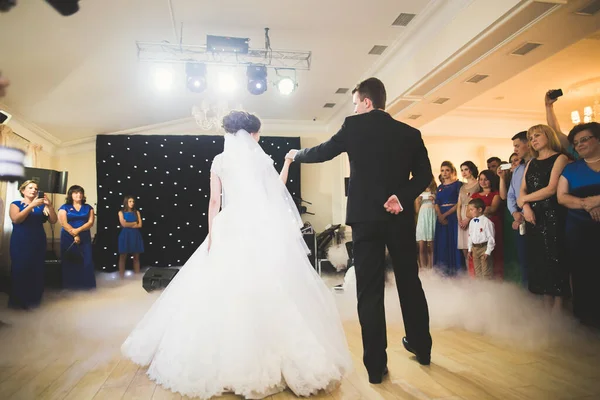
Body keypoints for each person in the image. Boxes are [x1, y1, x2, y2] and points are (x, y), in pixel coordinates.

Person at [122, 111, 352, 399]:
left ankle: (218, 359)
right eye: (257, 133)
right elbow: (276, 191)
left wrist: (211, 233)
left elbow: (215, 201)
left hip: (230, 225)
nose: (257, 138)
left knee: (219, 287)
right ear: (251, 134)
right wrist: (288, 163)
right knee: (267, 287)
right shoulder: (260, 159)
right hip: (257, 228)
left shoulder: (220, 161)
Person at [287, 77, 433, 383]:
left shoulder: (353, 126)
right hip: (399, 218)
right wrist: (401, 197)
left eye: (355, 102)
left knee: (369, 291)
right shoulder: (410, 133)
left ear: (366, 102)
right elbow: (424, 176)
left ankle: (375, 367)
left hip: (365, 219)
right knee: (409, 282)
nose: (353, 107)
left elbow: (323, 152)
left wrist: (295, 155)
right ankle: (422, 348)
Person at [518, 125, 569, 312]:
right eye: (530, 137)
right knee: (539, 260)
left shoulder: (560, 158)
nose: (533, 140)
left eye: (537, 135)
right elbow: (522, 190)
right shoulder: (531, 162)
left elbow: (551, 188)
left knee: (555, 258)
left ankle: (559, 310)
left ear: (548, 135)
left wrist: (524, 200)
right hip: (533, 216)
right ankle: (546, 308)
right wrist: (525, 207)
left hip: (553, 214)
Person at [557, 122, 600, 327]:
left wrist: (597, 200)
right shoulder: (571, 169)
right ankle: (587, 321)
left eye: (585, 139)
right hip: (579, 229)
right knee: (583, 273)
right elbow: (562, 197)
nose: (580, 145)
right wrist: (586, 203)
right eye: (576, 142)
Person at [8, 180, 57, 308]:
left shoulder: (41, 206)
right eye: (30, 188)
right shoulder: (15, 204)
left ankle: (35, 301)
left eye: (36, 188)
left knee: (37, 270)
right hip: (21, 241)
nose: (34, 190)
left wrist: (50, 206)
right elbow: (16, 219)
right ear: (23, 190)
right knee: (21, 269)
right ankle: (18, 303)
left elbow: (53, 220)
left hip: (38, 240)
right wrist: (31, 206)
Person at [503, 131, 531, 286]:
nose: (515, 149)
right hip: (519, 220)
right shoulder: (518, 169)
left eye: (517, 145)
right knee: (523, 258)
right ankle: (528, 295)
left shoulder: (537, 164)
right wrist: (515, 213)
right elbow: (511, 194)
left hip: (537, 216)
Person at [58, 185, 96, 289]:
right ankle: (70, 287)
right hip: (68, 236)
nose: (78, 195)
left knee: (86, 261)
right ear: (70, 195)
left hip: (84, 236)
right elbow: (63, 223)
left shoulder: (88, 207)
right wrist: (74, 234)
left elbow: (90, 222)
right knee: (70, 261)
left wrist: (78, 231)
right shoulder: (64, 207)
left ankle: (87, 287)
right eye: (75, 193)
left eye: (80, 192)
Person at [467, 198, 495, 279]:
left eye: (472, 209)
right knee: (477, 270)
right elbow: (470, 236)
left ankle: (487, 289)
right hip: (475, 248)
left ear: (479, 209)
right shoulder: (472, 221)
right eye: (469, 210)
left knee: (486, 271)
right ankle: (479, 289)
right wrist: (469, 249)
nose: (470, 212)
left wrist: (488, 251)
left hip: (484, 248)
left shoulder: (487, 222)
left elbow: (491, 238)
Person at [117, 196, 144, 278]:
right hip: (125, 235)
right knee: (122, 257)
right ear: (126, 202)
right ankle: (121, 278)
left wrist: (129, 224)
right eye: (130, 201)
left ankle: (136, 277)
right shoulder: (121, 212)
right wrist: (133, 223)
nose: (132, 203)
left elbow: (140, 225)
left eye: (133, 201)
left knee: (136, 257)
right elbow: (123, 224)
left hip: (135, 235)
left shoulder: (137, 212)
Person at [415, 179, 437, 269]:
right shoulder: (419, 191)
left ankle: (432, 267)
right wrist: (418, 201)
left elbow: (437, 206)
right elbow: (417, 210)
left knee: (432, 245)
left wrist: (434, 200)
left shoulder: (435, 191)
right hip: (422, 218)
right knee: (422, 245)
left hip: (432, 216)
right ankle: (423, 268)